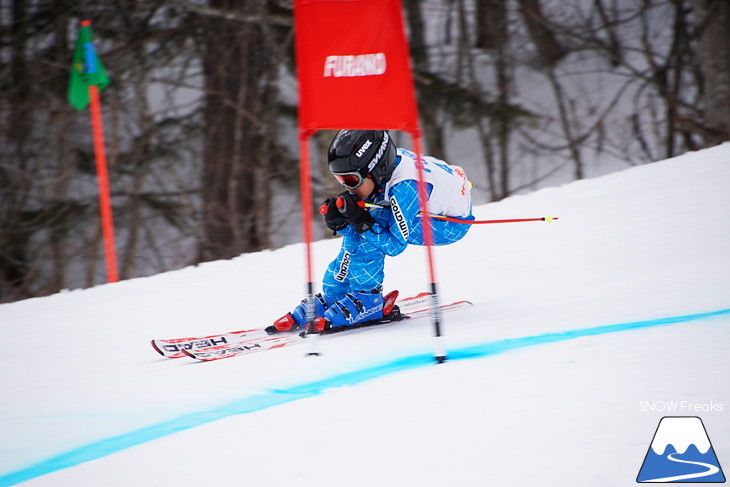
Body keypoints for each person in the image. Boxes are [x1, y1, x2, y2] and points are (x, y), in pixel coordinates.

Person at [270, 129, 474, 334]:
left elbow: (394, 246)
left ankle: (368, 299)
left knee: (376, 221)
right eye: (339, 180)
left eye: (350, 180)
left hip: (451, 224)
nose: (346, 187)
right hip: (436, 195)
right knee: (365, 220)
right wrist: (345, 223)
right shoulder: (382, 169)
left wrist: (360, 222)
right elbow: (362, 221)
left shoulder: (406, 189)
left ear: (377, 170)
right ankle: (335, 294)